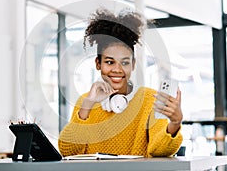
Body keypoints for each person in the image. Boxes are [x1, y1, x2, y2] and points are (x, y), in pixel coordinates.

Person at [58, 8, 183, 157]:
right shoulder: (86, 102)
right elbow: (68, 151)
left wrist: (175, 123)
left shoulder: (150, 99)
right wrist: (87, 105)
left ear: (133, 64)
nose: (117, 70)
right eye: (110, 62)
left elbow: (158, 150)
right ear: (98, 64)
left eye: (124, 63)